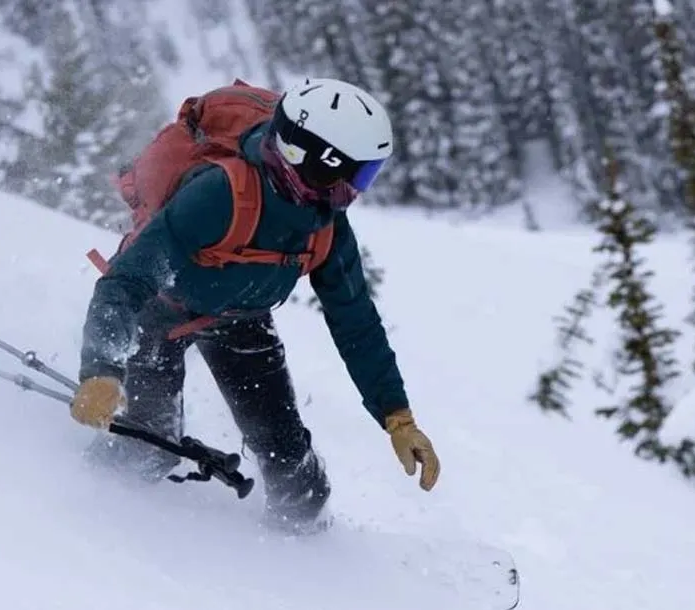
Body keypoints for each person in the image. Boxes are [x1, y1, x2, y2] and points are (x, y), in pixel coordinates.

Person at [70, 77, 440, 530]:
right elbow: (126, 281)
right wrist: (101, 370)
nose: (354, 191)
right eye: (353, 175)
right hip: (159, 314)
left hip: (241, 322)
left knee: (300, 486)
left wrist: (397, 417)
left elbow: (356, 322)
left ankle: (300, 562)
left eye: (366, 175)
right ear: (312, 161)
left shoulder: (325, 225)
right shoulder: (219, 195)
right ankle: (79, 521)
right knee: (146, 449)